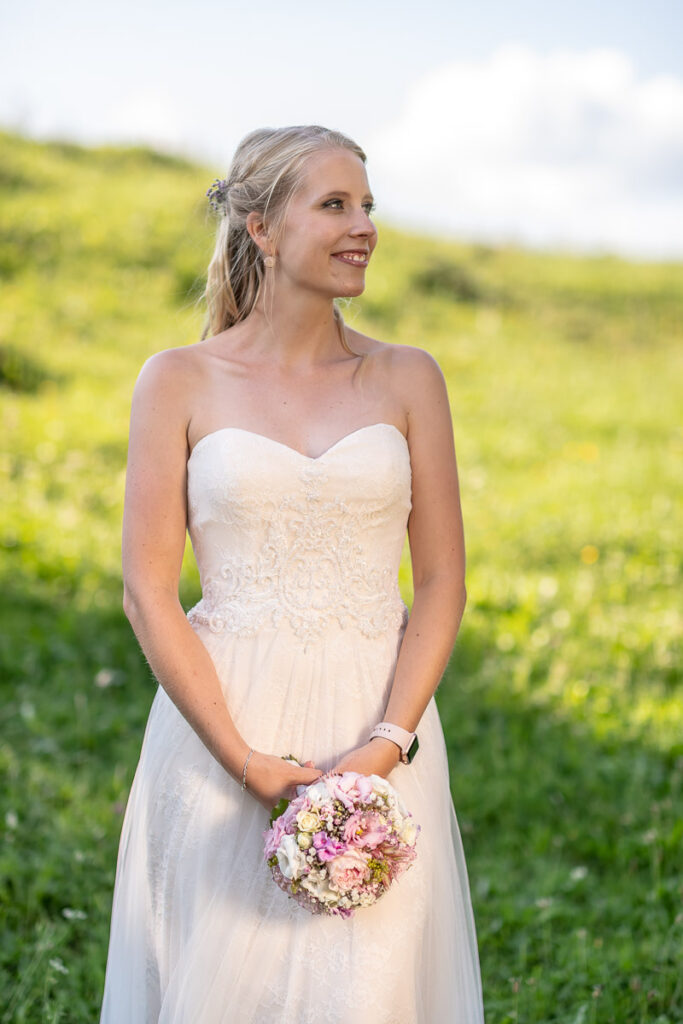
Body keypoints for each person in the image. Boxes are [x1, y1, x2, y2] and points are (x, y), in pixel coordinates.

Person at [99, 124, 484, 1023]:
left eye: (367, 206)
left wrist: (386, 746)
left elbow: (441, 584)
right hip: (219, 720)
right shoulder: (177, 381)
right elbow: (147, 589)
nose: (363, 228)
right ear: (262, 228)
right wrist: (242, 760)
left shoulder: (407, 378)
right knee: (219, 980)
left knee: (365, 988)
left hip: (374, 718)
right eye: (334, 205)